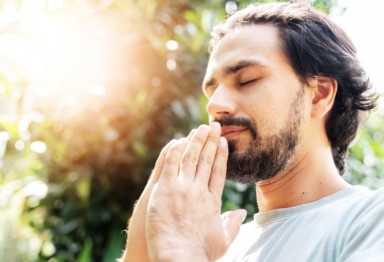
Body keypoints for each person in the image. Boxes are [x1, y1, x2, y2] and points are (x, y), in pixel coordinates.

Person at [120, 1, 384, 261]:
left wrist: (181, 253)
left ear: (320, 95)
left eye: (247, 80)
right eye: (211, 91)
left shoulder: (369, 220)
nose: (215, 105)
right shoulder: (221, 246)